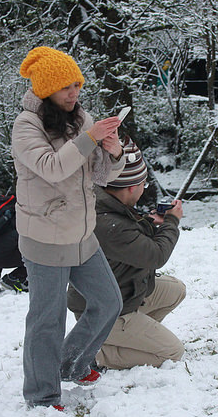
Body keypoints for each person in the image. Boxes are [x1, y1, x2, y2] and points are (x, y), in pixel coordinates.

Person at [12, 46, 125, 410]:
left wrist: (113, 151)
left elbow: (102, 177)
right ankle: (42, 395)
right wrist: (90, 138)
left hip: (81, 233)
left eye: (76, 84)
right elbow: (53, 167)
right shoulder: (25, 126)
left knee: (109, 301)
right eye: (65, 87)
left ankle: (69, 363)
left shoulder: (81, 119)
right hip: (45, 236)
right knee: (47, 319)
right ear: (45, 89)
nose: (74, 93)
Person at [67, 141, 185, 370]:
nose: (144, 188)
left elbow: (129, 236)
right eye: (143, 183)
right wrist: (172, 221)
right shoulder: (108, 222)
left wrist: (150, 223)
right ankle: (98, 354)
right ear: (132, 187)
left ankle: (133, 339)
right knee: (173, 353)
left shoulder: (105, 203)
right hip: (102, 310)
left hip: (121, 293)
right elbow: (156, 255)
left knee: (175, 290)